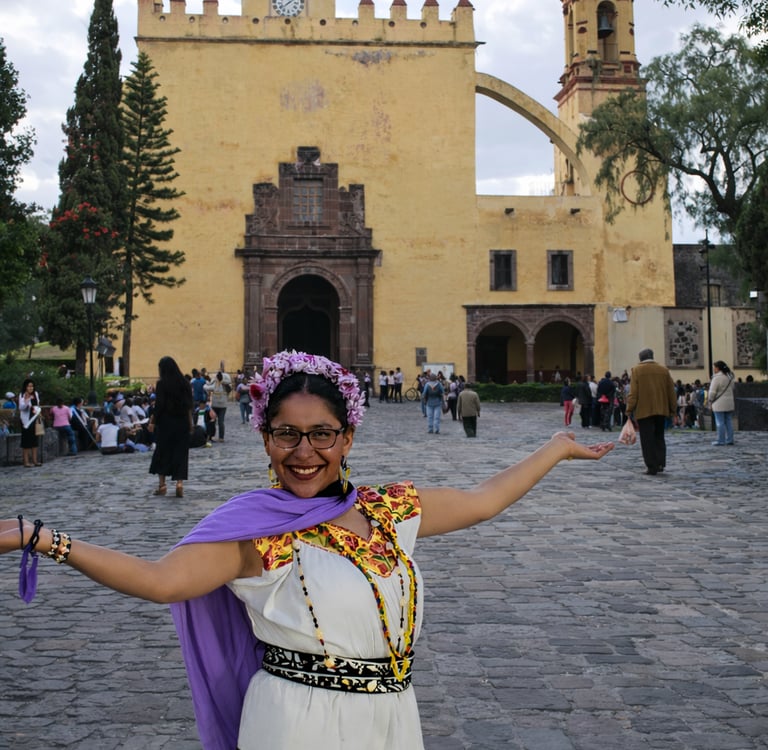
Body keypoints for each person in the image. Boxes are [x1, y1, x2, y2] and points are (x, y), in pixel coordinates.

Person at [4, 350, 613, 750]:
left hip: (395, 719)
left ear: (346, 436)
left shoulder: (387, 508)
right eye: (286, 434)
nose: (304, 451)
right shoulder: (258, 533)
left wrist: (556, 449)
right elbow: (161, 580)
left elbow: (483, 500)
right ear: (265, 438)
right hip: (300, 724)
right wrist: (42, 538)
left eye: (321, 433)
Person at [625, 348, 677, 476]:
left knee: (647, 439)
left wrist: (629, 409)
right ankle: (660, 463)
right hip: (661, 409)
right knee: (659, 436)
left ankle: (651, 466)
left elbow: (633, 393)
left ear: (640, 358)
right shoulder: (664, 370)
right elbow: (671, 391)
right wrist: (673, 409)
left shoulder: (637, 370)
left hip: (644, 410)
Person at [148, 356, 194, 498]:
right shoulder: (185, 383)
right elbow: (189, 406)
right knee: (181, 452)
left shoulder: (162, 384)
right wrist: (190, 423)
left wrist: (153, 421)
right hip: (182, 423)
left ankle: (162, 485)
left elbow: (159, 405)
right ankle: (179, 483)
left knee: (163, 451)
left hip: (166, 423)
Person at [708, 360, 736, 446]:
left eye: (714, 368)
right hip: (729, 402)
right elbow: (733, 388)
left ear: (717, 368)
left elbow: (712, 392)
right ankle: (730, 439)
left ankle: (721, 440)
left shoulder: (716, 378)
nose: (714, 369)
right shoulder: (729, 377)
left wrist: (710, 400)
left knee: (720, 422)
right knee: (729, 421)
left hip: (719, 403)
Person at [17, 378, 42, 468]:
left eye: (32, 386)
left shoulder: (36, 394)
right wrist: (27, 400)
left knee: (34, 440)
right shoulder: (23, 395)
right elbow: (21, 407)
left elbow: (37, 404)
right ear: (25, 387)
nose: (30, 388)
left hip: (35, 419)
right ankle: (26, 461)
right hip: (26, 421)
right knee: (26, 441)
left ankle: (35, 460)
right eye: (28, 386)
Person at [204, 371, 230, 442]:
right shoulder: (226, 386)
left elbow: (206, 387)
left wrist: (206, 383)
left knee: (213, 421)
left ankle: (211, 436)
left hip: (216, 406)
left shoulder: (217, 384)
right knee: (220, 422)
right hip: (221, 406)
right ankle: (221, 437)